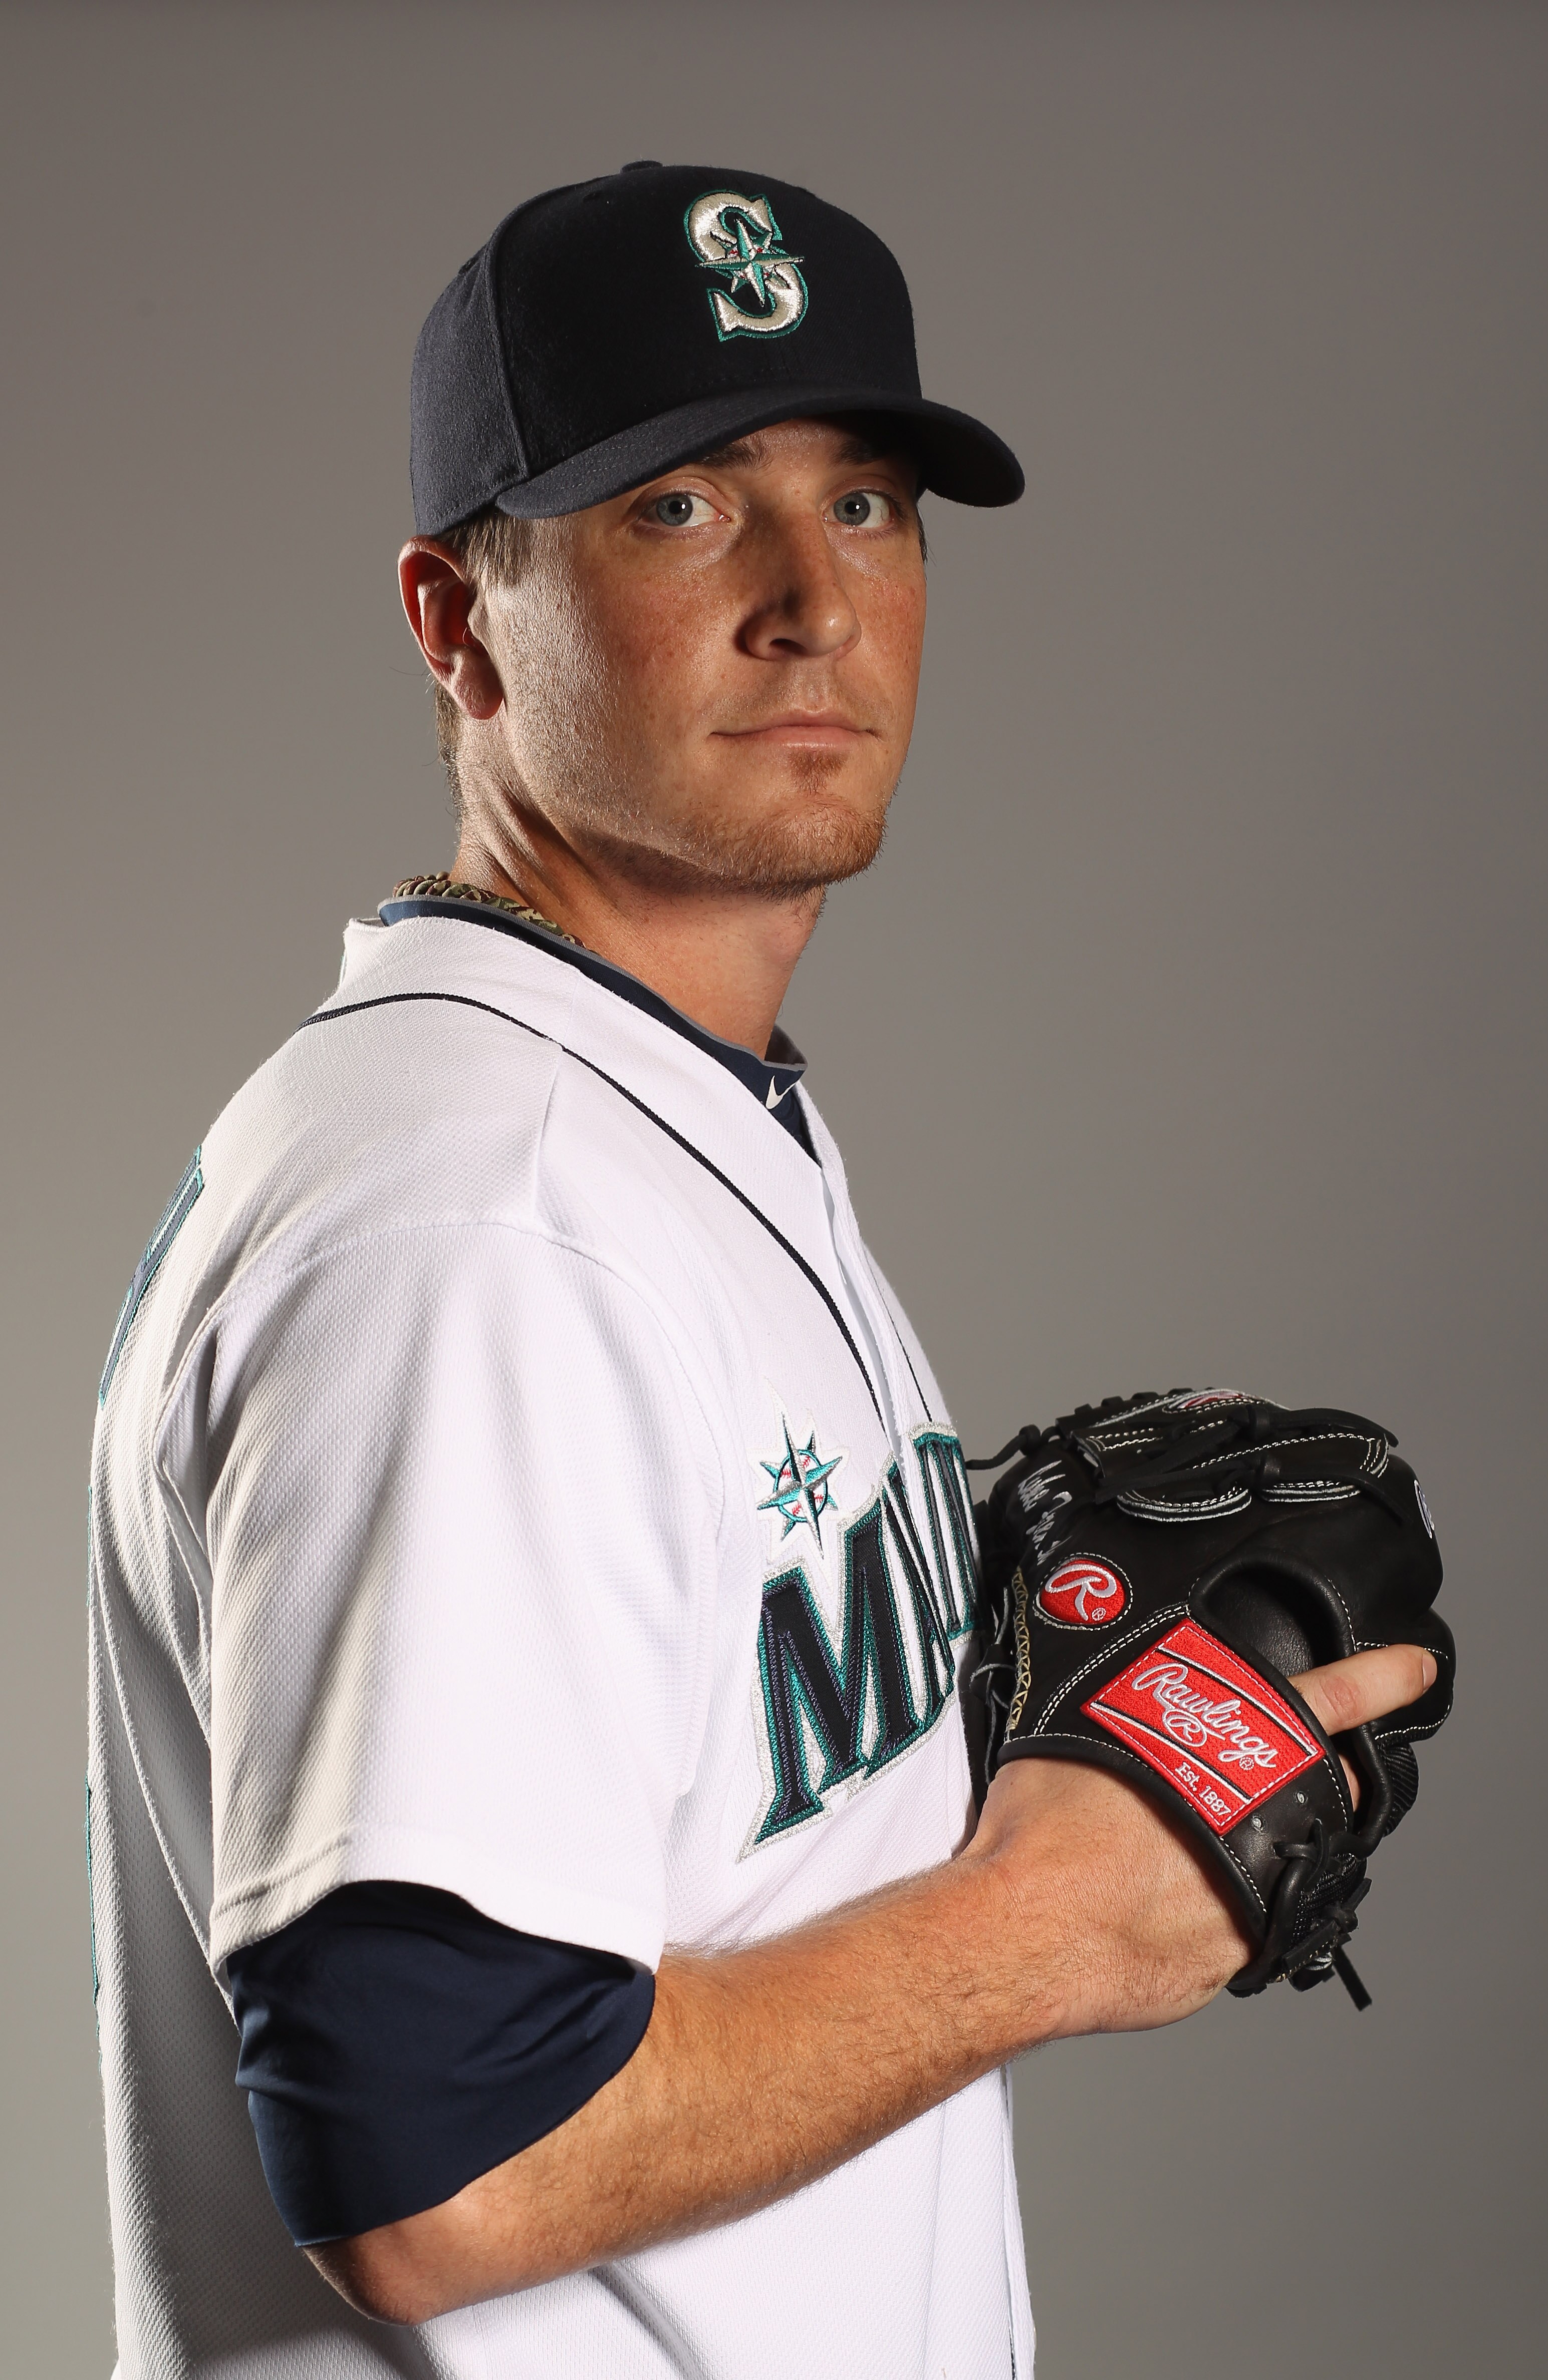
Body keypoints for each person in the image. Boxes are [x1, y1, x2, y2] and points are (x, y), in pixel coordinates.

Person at [87, 163, 1435, 2379]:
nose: (814, 598)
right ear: (455, 619)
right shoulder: (475, 1215)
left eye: (871, 504)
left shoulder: (651, 1118)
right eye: (681, 511)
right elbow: (438, 2167)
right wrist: (1046, 1922)